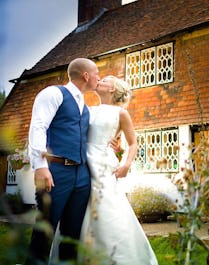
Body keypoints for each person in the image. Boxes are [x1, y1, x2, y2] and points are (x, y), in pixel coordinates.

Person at [26, 58, 100, 265]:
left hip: (82, 175)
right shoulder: (54, 93)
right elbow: (38, 127)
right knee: (45, 231)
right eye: (96, 73)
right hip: (55, 171)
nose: (98, 77)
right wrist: (39, 166)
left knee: (72, 234)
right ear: (85, 75)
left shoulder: (85, 107)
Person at [79, 75, 158, 265]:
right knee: (81, 210)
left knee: (108, 209)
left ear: (113, 89)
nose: (99, 81)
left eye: (105, 80)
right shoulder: (87, 110)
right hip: (82, 163)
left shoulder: (120, 114)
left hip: (104, 167)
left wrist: (126, 165)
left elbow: (133, 143)